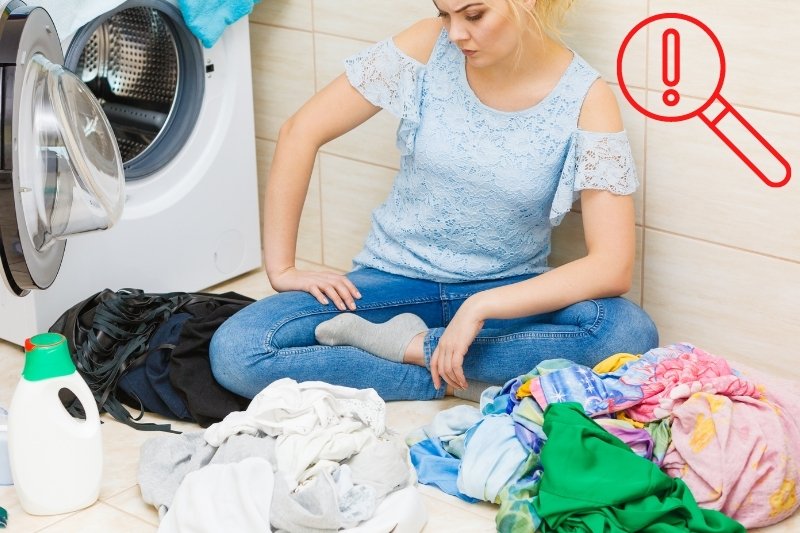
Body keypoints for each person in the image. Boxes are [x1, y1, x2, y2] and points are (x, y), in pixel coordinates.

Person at [209, 0, 659, 402]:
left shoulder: (586, 96)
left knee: (627, 332)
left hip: (505, 293)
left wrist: (480, 307)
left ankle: (412, 351)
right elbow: (300, 131)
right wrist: (282, 268)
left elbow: (612, 266)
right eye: (444, 12)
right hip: (392, 283)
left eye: (474, 14)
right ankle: (455, 376)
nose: (455, 32)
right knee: (239, 350)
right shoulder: (427, 44)